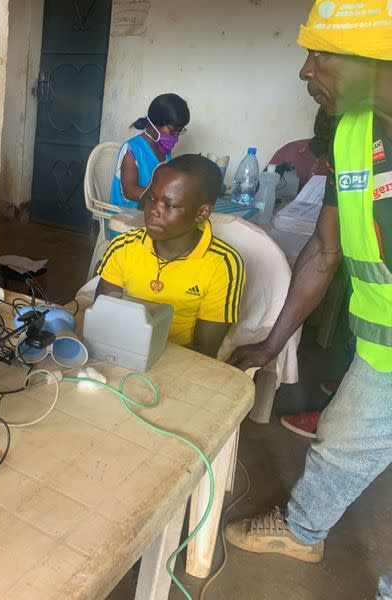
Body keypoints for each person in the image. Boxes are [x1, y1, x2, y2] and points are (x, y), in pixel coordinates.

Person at [225, 2, 392, 597]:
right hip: (382, 345)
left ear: (379, 56)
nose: (304, 70)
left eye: (319, 52)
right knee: (343, 441)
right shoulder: (352, 134)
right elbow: (324, 251)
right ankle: (302, 530)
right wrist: (271, 344)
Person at [96, 154, 245, 358]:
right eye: (150, 198)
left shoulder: (222, 264)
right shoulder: (124, 246)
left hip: (180, 362)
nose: (154, 211)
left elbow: (204, 351)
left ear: (201, 213)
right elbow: (104, 319)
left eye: (170, 205)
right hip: (120, 350)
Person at [110, 93, 190, 208]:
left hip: (152, 213)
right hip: (127, 218)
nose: (176, 136)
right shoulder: (132, 150)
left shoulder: (165, 150)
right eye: (173, 130)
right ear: (154, 124)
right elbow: (129, 191)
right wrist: (165, 197)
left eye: (179, 131)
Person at [269, 107, 335, 193]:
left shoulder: (347, 160)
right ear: (316, 120)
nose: (325, 124)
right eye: (322, 118)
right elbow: (262, 190)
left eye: (332, 120)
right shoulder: (290, 151)